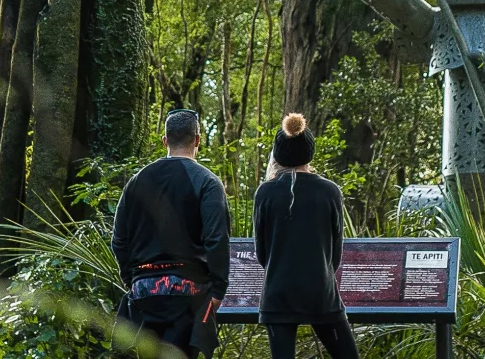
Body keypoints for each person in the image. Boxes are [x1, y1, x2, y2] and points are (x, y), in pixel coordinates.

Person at [111, 109, 230, 359]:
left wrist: (131, 279)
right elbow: (216, 240)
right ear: (198, 140)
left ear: (165, 140)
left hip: (143, 293)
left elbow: (119, 240)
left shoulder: (136, 181)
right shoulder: (207, 182)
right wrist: (218, 291)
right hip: (189, 296)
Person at [253, 113, 360, 359]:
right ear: (309, 153)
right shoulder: (329, 191)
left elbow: (262, 252)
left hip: (278, 294)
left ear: (278, 154)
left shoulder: (266, 193)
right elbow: (335, 253)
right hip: (321, 293)